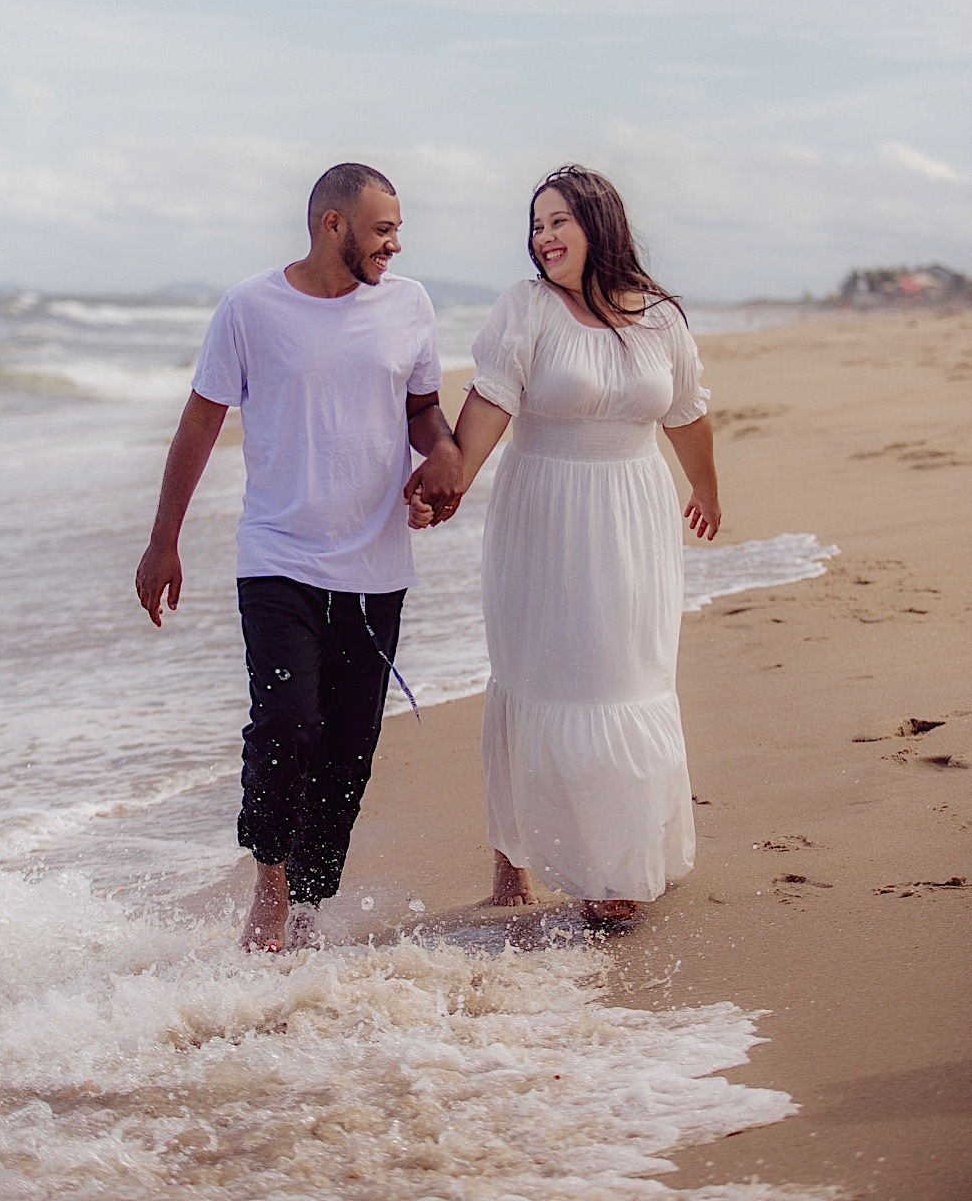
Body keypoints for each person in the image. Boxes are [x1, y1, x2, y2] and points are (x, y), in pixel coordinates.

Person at [135, 163, 461, 953]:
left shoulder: (408, 304)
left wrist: (444, 455)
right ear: (332, 225)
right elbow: (202, 421)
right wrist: (162, 538)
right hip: (278, 556)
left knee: (348, 749)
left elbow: (421, 411)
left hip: (376, 566)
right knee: (286, 725)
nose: (395, 242)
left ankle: (313, 903)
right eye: (381, 228)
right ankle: (272, 883)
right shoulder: (251, 307)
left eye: (397, 228)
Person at [411, 165, 720, 927]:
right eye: (536, 224)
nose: (543, 237)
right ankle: (530, 863)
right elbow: (489, 403)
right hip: (546, 511)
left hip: (635, 511)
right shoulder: (526, 309)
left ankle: (622, 851)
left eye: (559, 222)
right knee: (543, 672)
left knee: (626, 676)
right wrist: (449, 486)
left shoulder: (658, 319)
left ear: (598, 225)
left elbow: (685, 412)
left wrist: (706, 489)